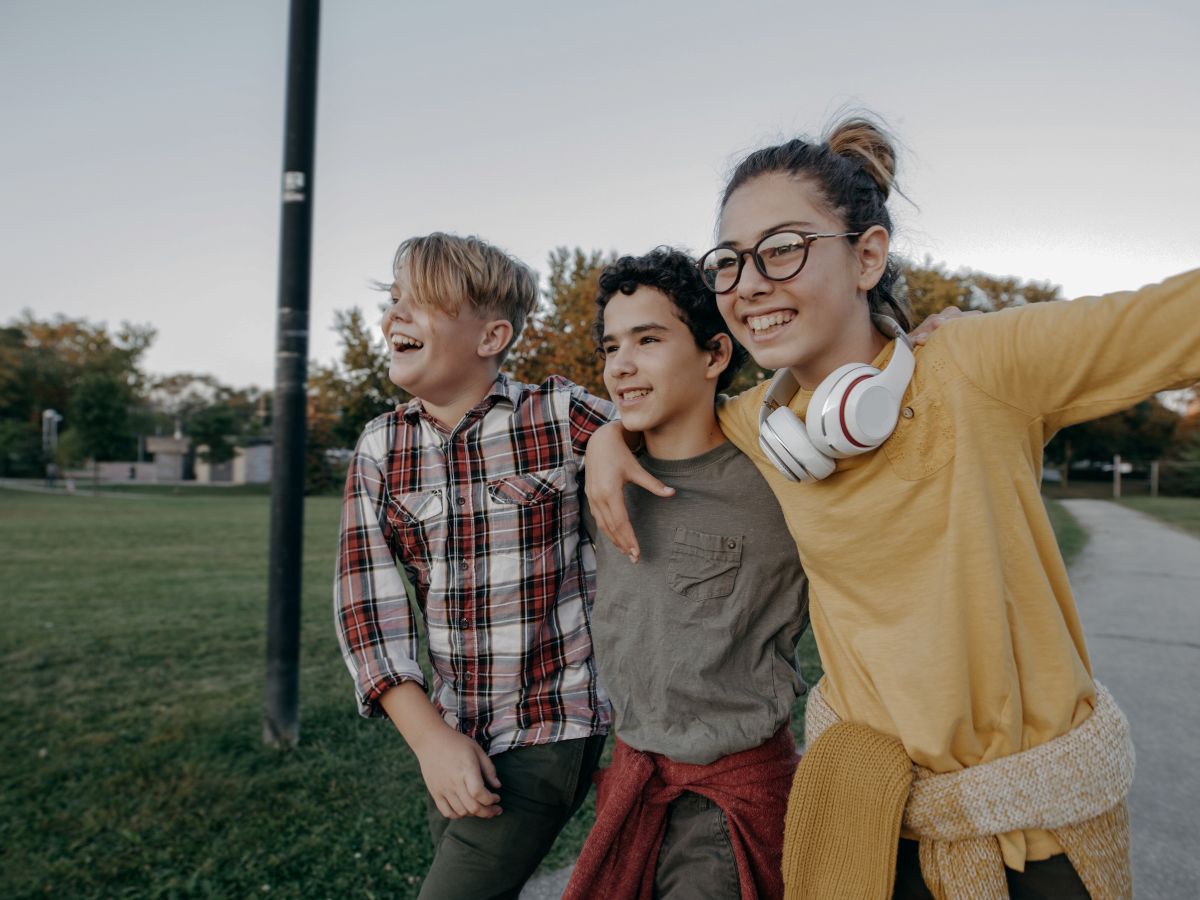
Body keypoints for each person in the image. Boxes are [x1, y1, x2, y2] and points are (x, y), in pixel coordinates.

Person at [585, 117, 1200, 899]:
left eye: (783, 248)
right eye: (730, 262)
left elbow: (1178, 318)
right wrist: (609, 436)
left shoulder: (983, 364)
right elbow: (651, 401)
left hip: (1036, 832)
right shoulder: (757, 425)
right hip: (871, 825)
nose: (748, 285)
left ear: (867, 255)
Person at [334, 233, 612, 900]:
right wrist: (431, 741)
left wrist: (612, 443)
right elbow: (367, 609)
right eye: (393, 298)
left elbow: (672, 424)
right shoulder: (382, 445)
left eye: (423, 302)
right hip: (453, 730)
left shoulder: (557, 413)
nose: (395, 315)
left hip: (554, 722)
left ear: (491, 336)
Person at [562, 248, 810, 899]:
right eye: (612, 345)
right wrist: (601, 442)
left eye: (648, 339)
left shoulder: (777, 478)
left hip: (730, 799)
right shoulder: (601, 479)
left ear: (714, 355)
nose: (621, 363)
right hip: (638, 780)